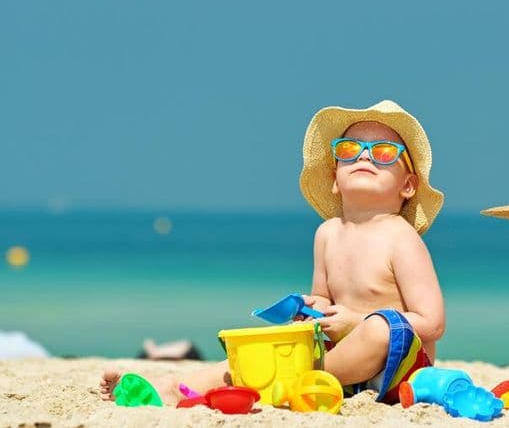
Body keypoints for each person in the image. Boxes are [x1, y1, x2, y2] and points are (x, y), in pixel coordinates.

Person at [101, 100, 445, 405]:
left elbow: (431, 322)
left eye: (383, 152)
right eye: (349, 149)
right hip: (337, 366)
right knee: (263, 348)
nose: (365, 155)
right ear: (335, 179)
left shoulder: (401, 238)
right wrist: (311, 308)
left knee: (382, 328)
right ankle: (171, 388)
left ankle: (288, 378)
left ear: (408, 185)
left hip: (397, 369)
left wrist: (359, 323)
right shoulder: (327, 234)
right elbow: (324, 298)